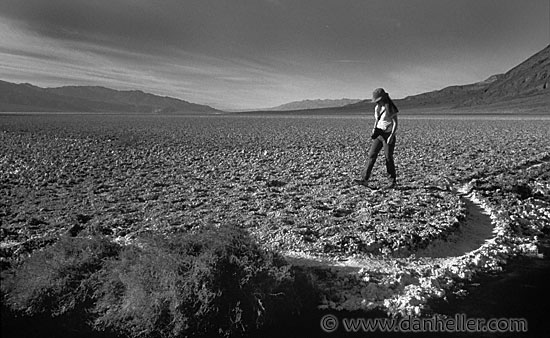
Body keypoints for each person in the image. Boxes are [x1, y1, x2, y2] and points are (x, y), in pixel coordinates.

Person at [356, 88, 399, 189]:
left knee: (388, 157)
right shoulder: (377, 108)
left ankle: (392, 182)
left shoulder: (390, 108)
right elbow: (377, 120)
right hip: (379, 134)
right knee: (372, 155)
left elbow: (395, 123)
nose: (377, 102)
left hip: (388, 135)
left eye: (378, 100)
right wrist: (374, 129)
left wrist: (391, 136)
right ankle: (365, 179)